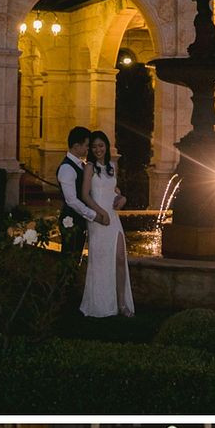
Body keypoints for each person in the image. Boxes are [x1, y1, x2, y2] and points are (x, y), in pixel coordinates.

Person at [80, 130, 134, 318]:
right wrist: (101, 213)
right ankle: (102, 304)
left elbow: (114, 190)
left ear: (106, 146)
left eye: (101, 145)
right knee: (102, 261)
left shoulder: (112, 166)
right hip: (99, 219)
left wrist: (123, 198)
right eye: (94, 147)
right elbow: (85, 195)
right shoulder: (89, 167)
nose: (98, 150)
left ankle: (121, 303)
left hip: (113, 218)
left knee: (120, 258)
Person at [57, 125, 106, 256]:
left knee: (76, 257)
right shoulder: (67, 168)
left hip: (80, 220)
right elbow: (72, 201)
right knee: (70, 258)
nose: (88, 149)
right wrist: (94, 215)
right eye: (86, 145)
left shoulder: (80, 165)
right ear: (76, 146)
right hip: (71, 221)